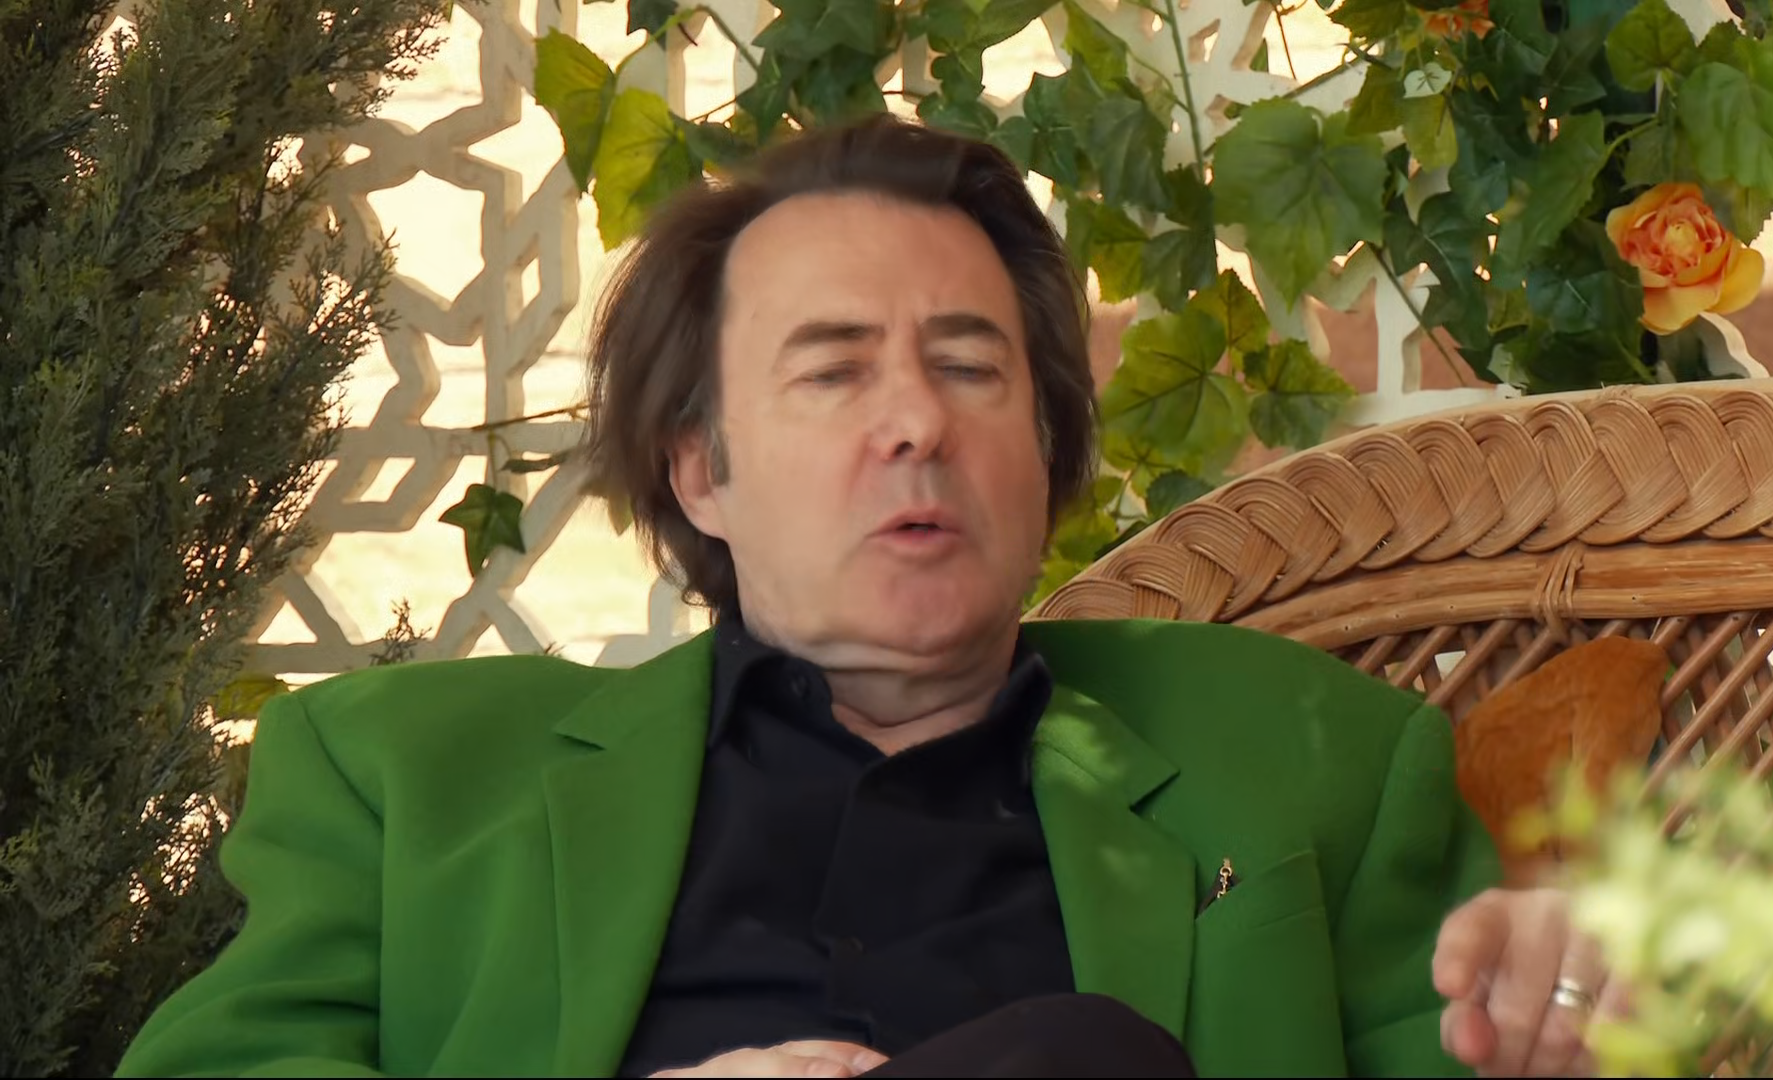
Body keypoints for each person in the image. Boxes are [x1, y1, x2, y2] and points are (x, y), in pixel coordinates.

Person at [117, 115, 1619, 1079]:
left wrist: (1563, 1032)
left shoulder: (1314, 758)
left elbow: (1489, 1035)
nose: (917, 422)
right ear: (700, 470)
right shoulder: (402, 778)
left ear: (1045, 449)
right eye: (835, 372)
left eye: (970, 367)